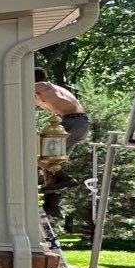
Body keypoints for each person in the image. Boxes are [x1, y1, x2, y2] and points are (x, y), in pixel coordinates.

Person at [35, 67, 89, 217]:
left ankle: (65, 178)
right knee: (51, 161)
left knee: (39, 154)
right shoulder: (38, 94)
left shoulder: (46, 87)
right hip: (72, 123)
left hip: (75, 122)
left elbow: (24, 87)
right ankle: (52, 204)